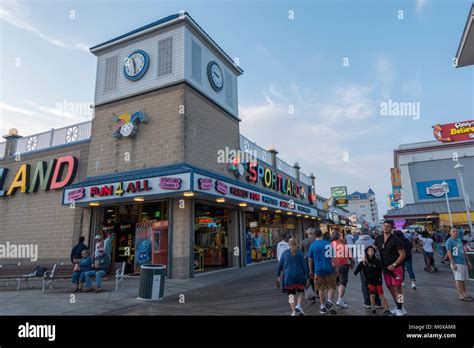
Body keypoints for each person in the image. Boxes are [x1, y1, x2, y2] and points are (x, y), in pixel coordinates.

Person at [374, 220, 406, 316]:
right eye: (384, 226)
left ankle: (400, 308)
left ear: (392, 228)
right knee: (390, 287)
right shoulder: (378, 238)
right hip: (385, 269)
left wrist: (394, 265)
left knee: (398, 289)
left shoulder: (396, 239)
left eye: (387, 226)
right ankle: (398, 305)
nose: (385, 228)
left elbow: (403, 255)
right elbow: (372, 249)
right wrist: (366, 255)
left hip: (396, 268)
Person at [354, 246, 391, 316]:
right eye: (369, 251)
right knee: (372, 294)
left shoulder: (377, 261)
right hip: (370, 281)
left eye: (372, 251)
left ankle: (387, 309)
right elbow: (359, 267)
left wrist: (392, 274)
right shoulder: (364, 261)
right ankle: (373, 308)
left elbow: (383, 268)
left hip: (378, 281)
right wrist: (355, 273)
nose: (371, 252)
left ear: (374, 252)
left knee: (381, 294)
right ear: (367, 252)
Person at [277, 238, 310, 316]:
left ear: (288, 244)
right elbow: (305, 266)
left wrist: (278, 275)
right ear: (297, 244)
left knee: (291, 294)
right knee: (301, 291)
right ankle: (298, 306)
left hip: (288, 277)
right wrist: (308, 277)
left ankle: (294, 311)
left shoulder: (285, 253)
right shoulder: (300, 253)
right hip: (300, 276)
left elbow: (279, 266)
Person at [308, 229, 337, 315]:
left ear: (314, 235)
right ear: (321, 235)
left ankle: (322, 306)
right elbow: (333, 257)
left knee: (320, 289)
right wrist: (336, 268)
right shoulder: (328, 244)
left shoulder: (313, 245)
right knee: (331, 287)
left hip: (318, 270)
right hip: (329, 269)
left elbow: (310, 259)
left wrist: (310, 270)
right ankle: (329, 301)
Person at [354, 228, 381, 309]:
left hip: (362, 265)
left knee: (364, 284)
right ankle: (377, 302)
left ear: (361, 233)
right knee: (375, 283)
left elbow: (355, 255)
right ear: (368, 233)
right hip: (373, 265)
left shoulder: (357, 242)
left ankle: (367, 303)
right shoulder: (372, 241)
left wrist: (357, 266)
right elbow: (377, 254)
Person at [446, 228, 473, 301]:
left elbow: (463, 251)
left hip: (462, 262)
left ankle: (464, 293)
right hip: (456, 262)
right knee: (458, 279)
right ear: (450, 233)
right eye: (453, 231)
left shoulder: (459, 240)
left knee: (462, 279)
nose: (455, 232)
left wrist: (468, 262)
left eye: (456, 231)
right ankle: (461, 295)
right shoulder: (449, 241)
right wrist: (452, 263)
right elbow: (449, 252)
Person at [330, 230, 352, 309]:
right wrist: (352, 264)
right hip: (343, 265)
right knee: (342, 283)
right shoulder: (343, 245)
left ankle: (330, 300)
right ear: (339, 237)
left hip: (333, 266)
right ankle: (340, 299)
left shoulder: (330, 245)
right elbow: (350, 256)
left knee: (336, 283)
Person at [301, 228, 317, 303]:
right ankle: (317, 292)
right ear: (313, 233)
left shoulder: (304, 241)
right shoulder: (316, 241)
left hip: (306, 260)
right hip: (315, 260)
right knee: (317, 277)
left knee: (309, 277)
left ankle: (311, 295)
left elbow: (301, 252)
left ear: (308, 233)